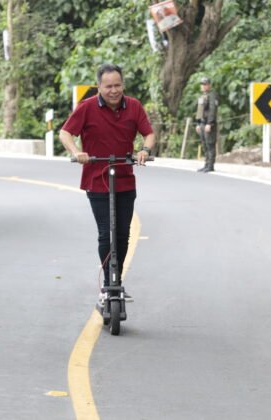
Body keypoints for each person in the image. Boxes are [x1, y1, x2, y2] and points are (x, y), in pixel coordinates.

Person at [59, 63, 156, 302]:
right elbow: (65, 133)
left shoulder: (134, 106)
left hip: (125, 179)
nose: (114, 91)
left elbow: (149, 133)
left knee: (122, 235)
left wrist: (144, 150)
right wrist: (77, 152)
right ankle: (107, 284)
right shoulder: (87, 107)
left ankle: (117, 282)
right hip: (96, 179)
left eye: (117, 85)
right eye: (108, 86)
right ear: (99, 87)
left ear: (123, 85)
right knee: (106, 234)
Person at [195, 77, 218, 172]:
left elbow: (213, 110)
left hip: (208, 124)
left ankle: (210, 165)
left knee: (210, 144)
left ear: (209, 85)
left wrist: (210, 123)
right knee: (204, 144)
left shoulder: (212, 95)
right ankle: (206, 164)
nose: (203, 86)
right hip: (202, 123)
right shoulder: (202, 96)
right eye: (202, 84)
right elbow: (199, 111)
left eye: (205, 84)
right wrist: (198, 123)